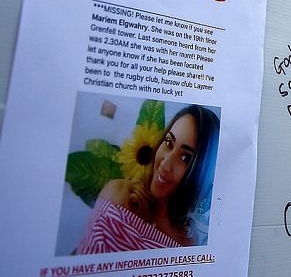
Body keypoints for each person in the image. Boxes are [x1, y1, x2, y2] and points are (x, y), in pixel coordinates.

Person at [76, 105, 219, 253]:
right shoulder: (120, 195)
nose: (165, 164)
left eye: (185, 158)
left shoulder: (187, 246)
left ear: (200, 172)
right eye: (169, 143)